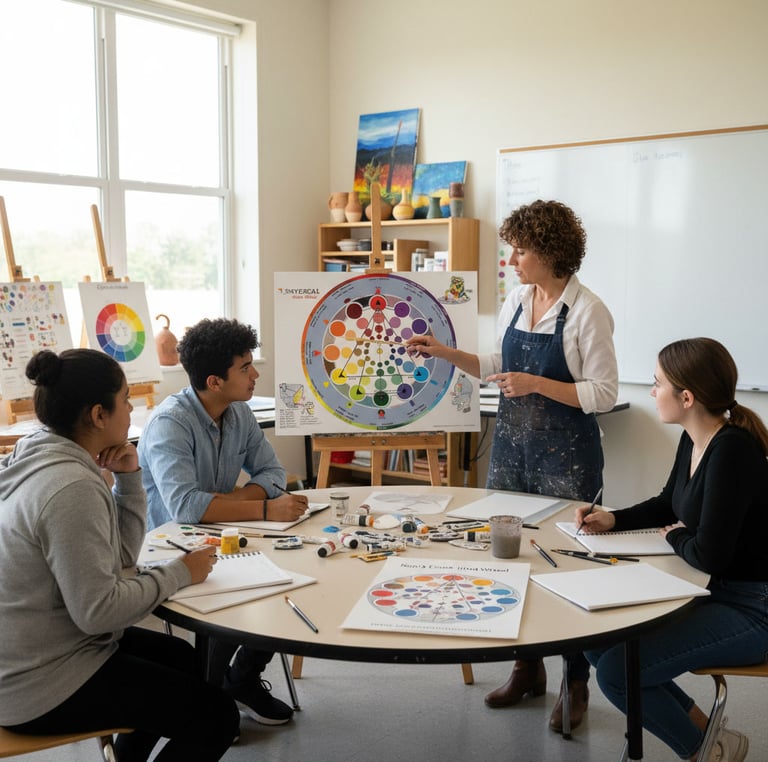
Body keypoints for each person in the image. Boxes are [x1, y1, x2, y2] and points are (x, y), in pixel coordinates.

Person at [407, 199, 618, 732]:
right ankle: (527, 669)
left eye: (520, 251)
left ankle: (575, 683)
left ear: (549, 251)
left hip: (567, 457)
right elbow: (497, 365)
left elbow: (604, 393)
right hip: (512, 450)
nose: (511, 260)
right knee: (510, 560)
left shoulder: (588, 311)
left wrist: (536, 384)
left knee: (566, 566)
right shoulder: (519, 300)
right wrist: (443, 352)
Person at [0, 349, 238, 761]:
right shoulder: (70, 488)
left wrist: (128, 480)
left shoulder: (39, 450)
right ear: (98, 415)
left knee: (182, 658)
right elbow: (100, 612)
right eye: (126, 399)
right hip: (37, 684)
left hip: (34, 653)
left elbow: (120, 562)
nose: (130, 409)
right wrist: (180, 572)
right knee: (217, 718)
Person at [583, 338, 768, 761]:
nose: (651, 392)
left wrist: (675, 537)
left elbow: (709, 554)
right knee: (598, 641)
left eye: (657, 383)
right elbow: (670, 503)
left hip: (753, 608)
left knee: (616, 673)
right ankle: (711, 734)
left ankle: (708, 753)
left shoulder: (732, 450)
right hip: (711, 589)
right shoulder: (694, 438)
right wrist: (614, 519)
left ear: (686, 398)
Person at [137, 317, 309, 726]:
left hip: (224, 532)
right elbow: (186, 508)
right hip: (167, 546)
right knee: (234, 592)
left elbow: (272, 474)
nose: (255, 375)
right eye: (245, 368)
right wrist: (263, 509)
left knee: (290, 574)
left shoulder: (239, 414)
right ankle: (209, 703)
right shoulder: (170, 424)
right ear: (214, 382)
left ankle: (241, 680)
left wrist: (227, 502)